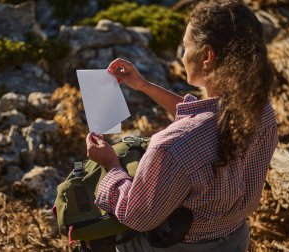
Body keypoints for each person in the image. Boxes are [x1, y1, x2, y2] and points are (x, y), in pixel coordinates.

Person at [85, 0, 278, 251]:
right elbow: (205, 122)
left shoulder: (172, 146)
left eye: (185, 46)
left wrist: (110, 164)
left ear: (207, 56)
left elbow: (137, 217)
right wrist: (145, 86)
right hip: (234, 238)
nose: (182, 54)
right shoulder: (261, 111)